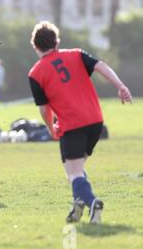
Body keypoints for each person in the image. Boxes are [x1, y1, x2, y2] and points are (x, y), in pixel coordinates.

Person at [28, 21, 132, 224]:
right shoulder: (76, 54)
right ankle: (77, 206)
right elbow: (101, 66)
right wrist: (120, 86)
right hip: (95, 121)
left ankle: (92, 202)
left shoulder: (36, 73)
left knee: (73, 173)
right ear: (57, 42)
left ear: (35, 45)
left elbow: (44, 108)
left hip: (71, 125)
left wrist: (50, 128)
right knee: (74, 169)